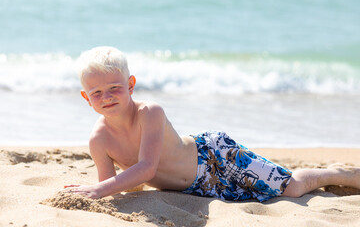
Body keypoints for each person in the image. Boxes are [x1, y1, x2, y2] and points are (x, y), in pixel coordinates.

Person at [64, 46, 360, 202]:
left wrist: (98, 190)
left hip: (214, 156)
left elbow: (147, 168)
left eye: (115, 87)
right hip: (197, 188)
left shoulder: (149, 113)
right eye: (97, 93)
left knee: (291, 189)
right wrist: (97, 189)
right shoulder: (99, 140)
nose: (107, 97)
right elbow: (120, 185)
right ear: (85, 98)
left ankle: (336, 174)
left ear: (131, 85)